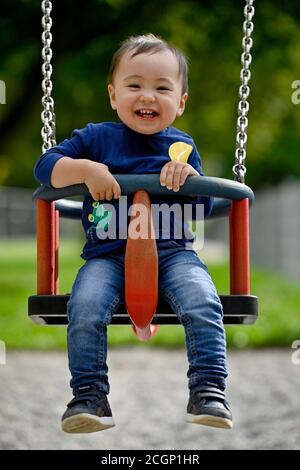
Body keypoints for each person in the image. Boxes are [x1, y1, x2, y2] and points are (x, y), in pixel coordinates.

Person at [34, 33, 232, 433]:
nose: (148, 96)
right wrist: (87, 170)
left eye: (162, 87)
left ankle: (209, 388)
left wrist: (191, 178)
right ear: (113, 94)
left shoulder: (182, 145)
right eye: (135, 85)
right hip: (107, 254)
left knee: (202, 299)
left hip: (173, 251)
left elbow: (202, 207)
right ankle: (89, 395)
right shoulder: (95, 139)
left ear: (181, 101)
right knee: (85, 305)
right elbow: (46, 166)